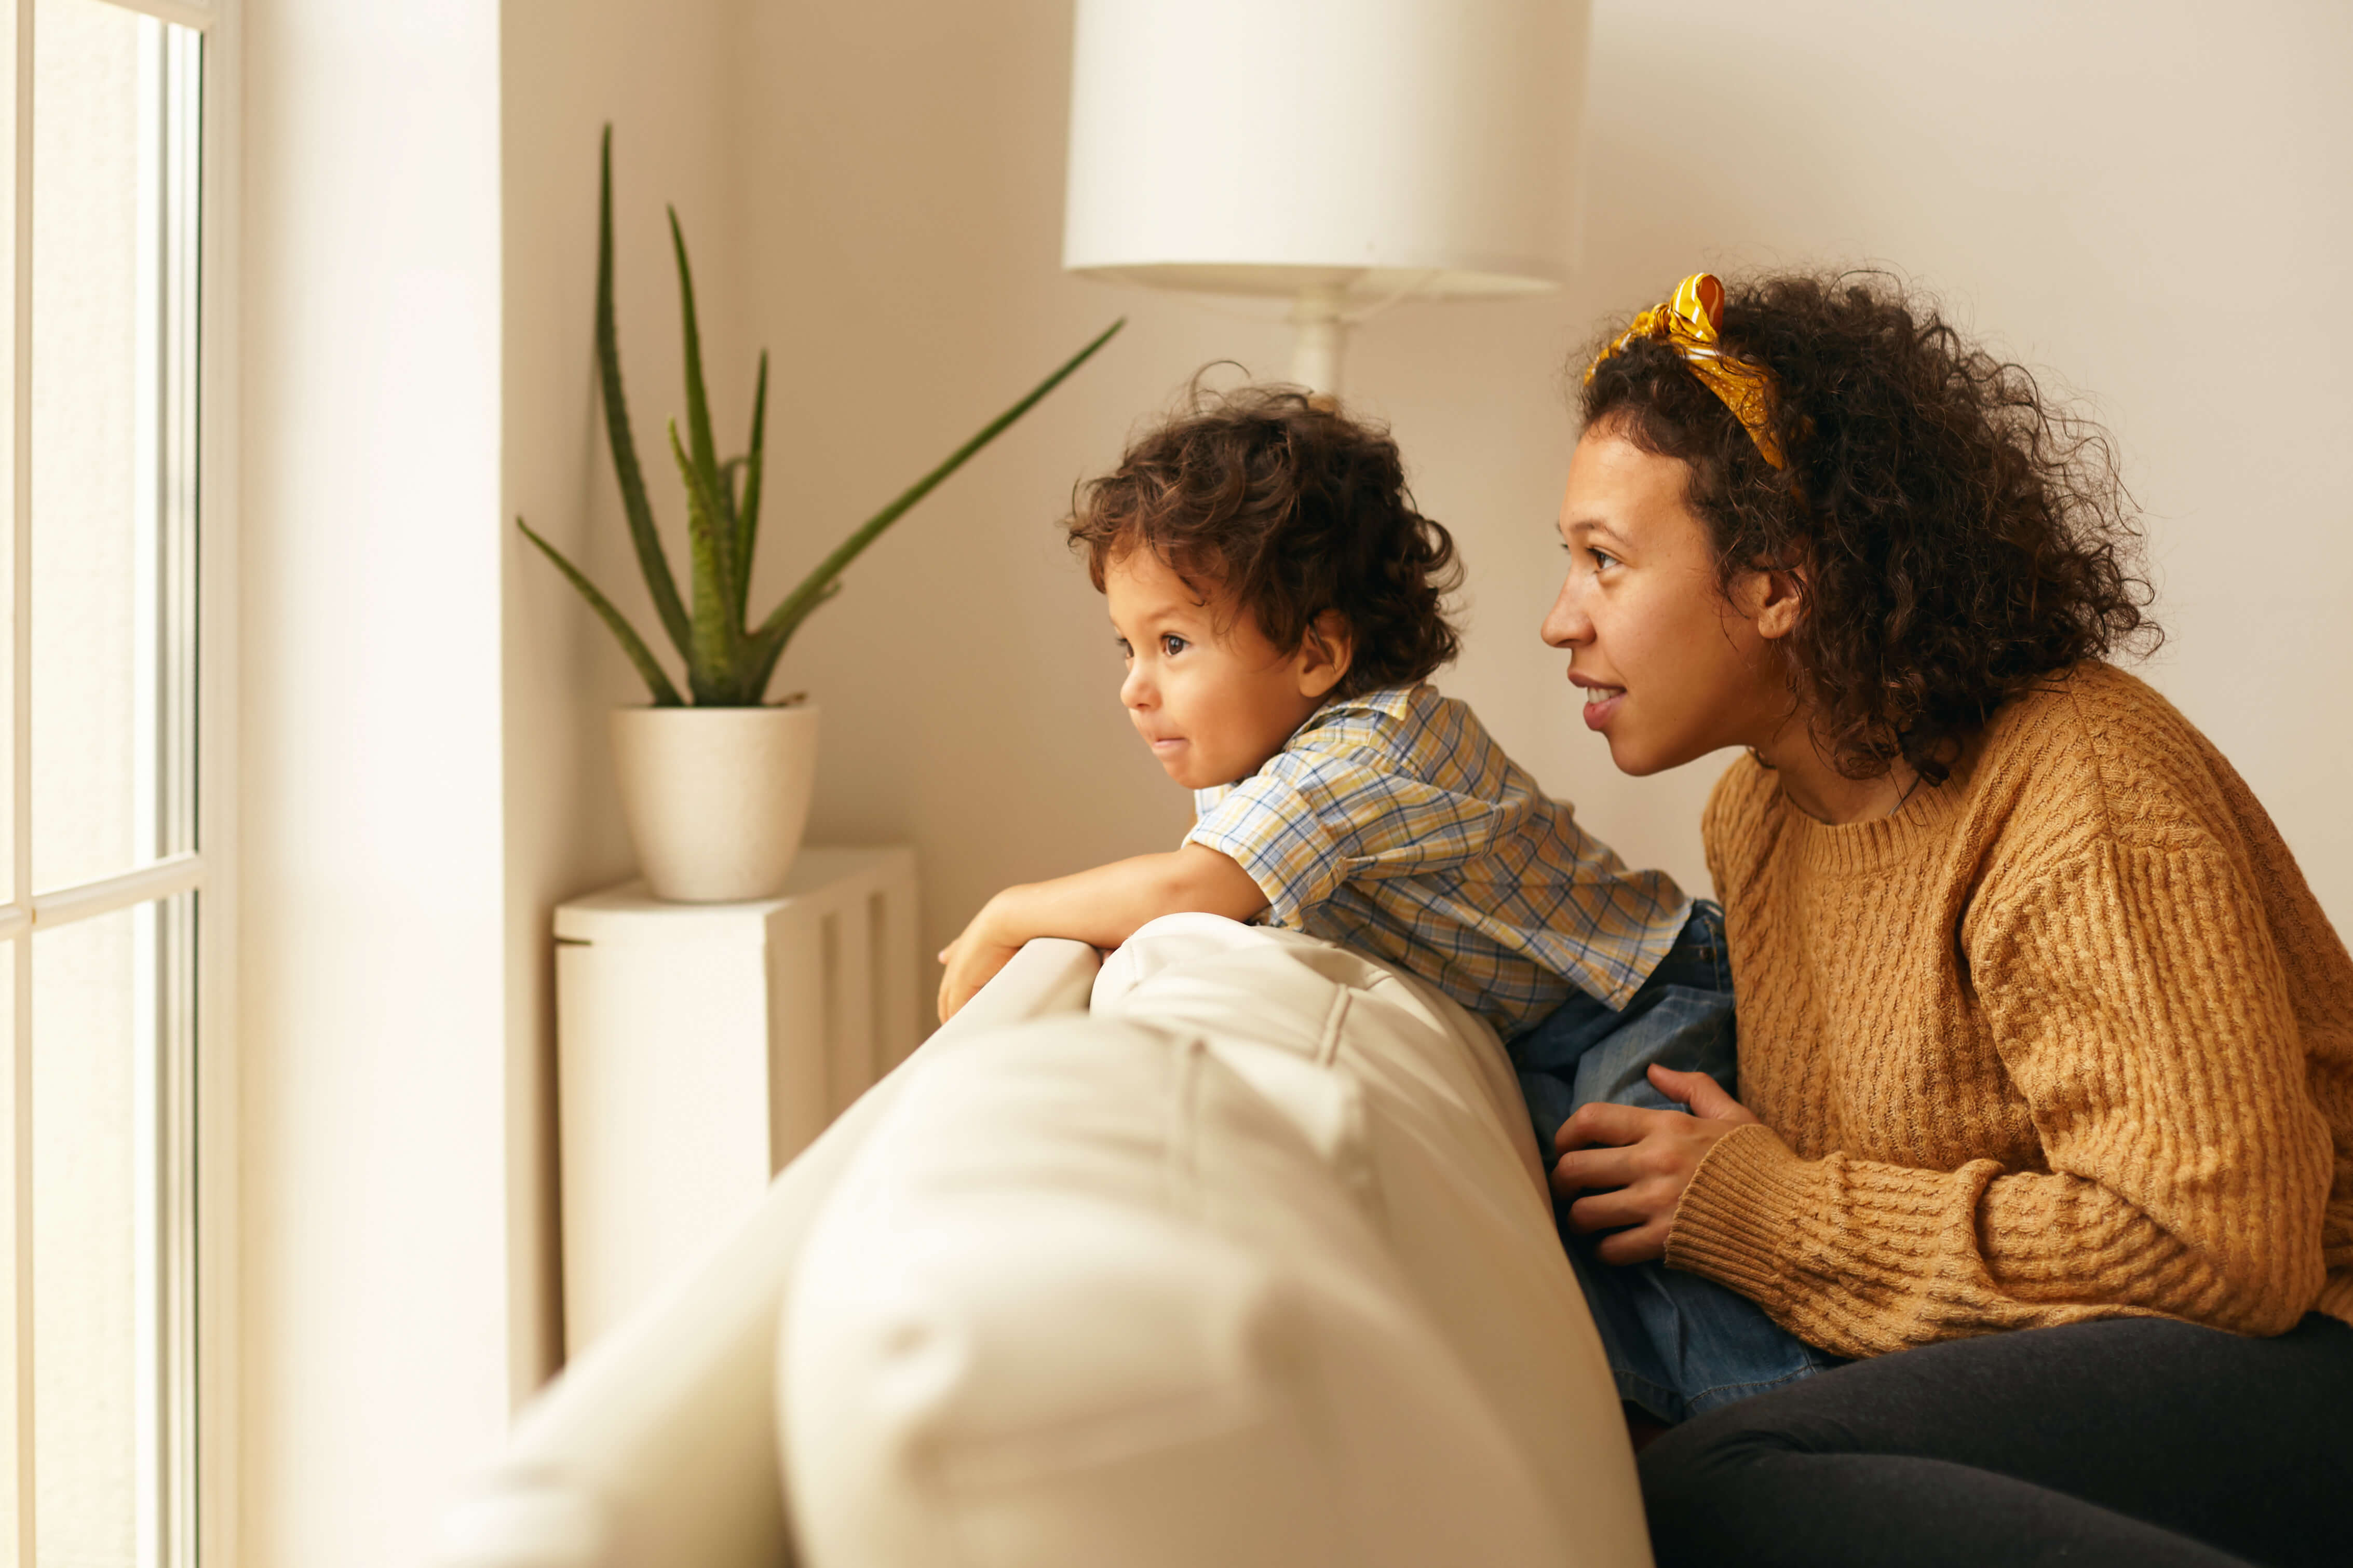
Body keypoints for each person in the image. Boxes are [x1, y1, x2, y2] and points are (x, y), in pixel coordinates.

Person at [1540, 270, 2352, 1566]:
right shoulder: (1754, 819)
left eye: (1604, 560)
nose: (1558, 619)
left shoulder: (2075, 783)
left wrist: (1771, 1211)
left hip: (2307, 1355)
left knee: (1715, 1487)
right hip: (2082, 1358)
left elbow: (2216, 1248)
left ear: (1777, 581)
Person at [936, 386, 1837, 1421]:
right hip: (1555, 1025)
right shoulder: (1267, 773)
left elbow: (1191, 889)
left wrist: (1009, 912)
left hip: (1651, 990)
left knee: (1633, 1217)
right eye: (1126, 648)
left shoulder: (1367, 750)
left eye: (1174, 644)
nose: (1137, 687)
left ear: (1318, 652)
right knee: (1568, 1242)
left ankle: (1782, 1407)